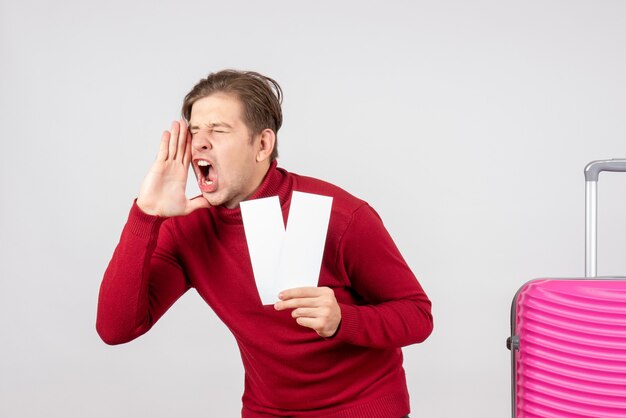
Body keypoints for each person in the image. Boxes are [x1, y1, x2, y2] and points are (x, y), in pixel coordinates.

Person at [96, 69, 433, 418]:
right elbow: (115, 329)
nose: (199, 142)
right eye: (195, 131)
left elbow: (418, 315)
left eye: (218, 130)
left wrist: (342, 320)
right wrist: (146, 214)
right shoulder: (189, 228)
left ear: (262, 145)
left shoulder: (342, 215)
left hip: (363, 410)